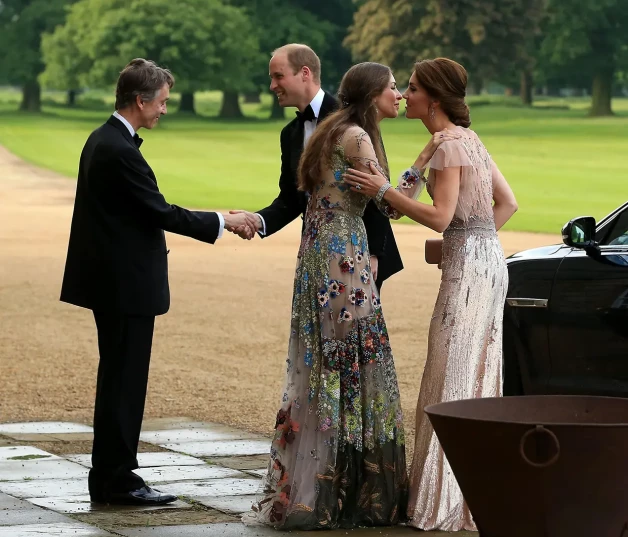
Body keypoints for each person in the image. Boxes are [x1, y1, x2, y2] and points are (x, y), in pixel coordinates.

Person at [242, 61, 457, 530]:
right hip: (343, 259)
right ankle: (350, 492)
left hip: (320, 254)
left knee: (326, 363)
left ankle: (317, 484)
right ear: (373, 93)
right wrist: (423, 160)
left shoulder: (333, 129)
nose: (399, 95)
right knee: (352, 363)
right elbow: (392, 204)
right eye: (394, 88)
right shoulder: (357, 136)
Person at [59, 58, 255, 506]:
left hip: (116, 285)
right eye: (161, 101)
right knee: (124, 383)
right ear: (140, 100)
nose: (164, 109)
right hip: (124, 287)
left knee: (119, 380)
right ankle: (118, 480)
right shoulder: (117, 148)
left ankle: (110, 475)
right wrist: (224, 220)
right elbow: (159, 211)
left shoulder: (105, 140)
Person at [343, 57, 518, 531]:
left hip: (468, 275)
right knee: (473, 370)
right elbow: (508, 203)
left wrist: (383, 188)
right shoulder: (463, 141)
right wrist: (466, 237)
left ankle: (444, 505)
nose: (404, 95)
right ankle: (469, 496)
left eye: (413, 88)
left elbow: (437, 215)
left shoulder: (449, 147)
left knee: (452, 374)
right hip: (487, 263)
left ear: (433, 100)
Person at [230, 44, 403, 290]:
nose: (272, 86)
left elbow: (374, 184)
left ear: (305, 73)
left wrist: (373, 252)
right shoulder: (289, 134)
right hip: (317, 248)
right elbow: (291, 198)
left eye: (278, 76)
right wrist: (257, 220)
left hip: (360, 251)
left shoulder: (350, 118)